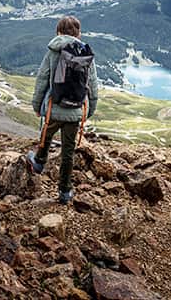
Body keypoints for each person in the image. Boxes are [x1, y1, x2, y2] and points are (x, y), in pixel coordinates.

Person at [25, 16, 99, 204]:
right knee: (68, 151)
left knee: (46, 134)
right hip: (76, 111)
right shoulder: (85, 53)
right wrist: (89, 110)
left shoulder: (53, 51)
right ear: (78, 33)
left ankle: (39, 161)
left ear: (58, 32)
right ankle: (65, 192)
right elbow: (92, 84)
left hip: (54, 108)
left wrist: (36, 105)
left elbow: (42, 79)